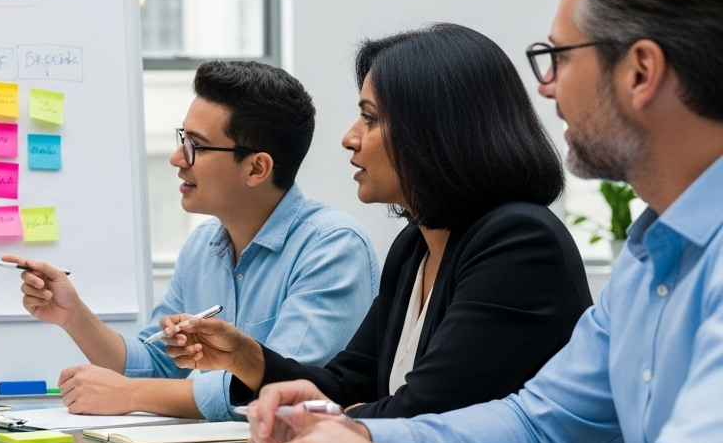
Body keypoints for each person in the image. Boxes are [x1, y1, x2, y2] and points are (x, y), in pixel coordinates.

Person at [249, 0, 723, 443]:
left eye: (559, 58)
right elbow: (540, 424)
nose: (545, 87)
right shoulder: (652, 253)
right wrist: (362, 436)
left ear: (641, 71)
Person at [161, 25, 590, 419]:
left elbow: (428, 411)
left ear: (433, 131)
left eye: (369, 117)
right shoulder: (413, 246)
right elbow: (346, 383)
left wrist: (341, 416)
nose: (350, 137)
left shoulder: (520, 242)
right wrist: (244, 356)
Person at [5, 60, 378, 421]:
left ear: (256, 168)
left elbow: (275, 389)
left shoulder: (333, 248)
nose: (176, 158)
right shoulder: (203, 247)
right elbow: (154, 364)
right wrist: (74, 316)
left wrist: (128, 395)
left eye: (196, 146)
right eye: (183, 139)